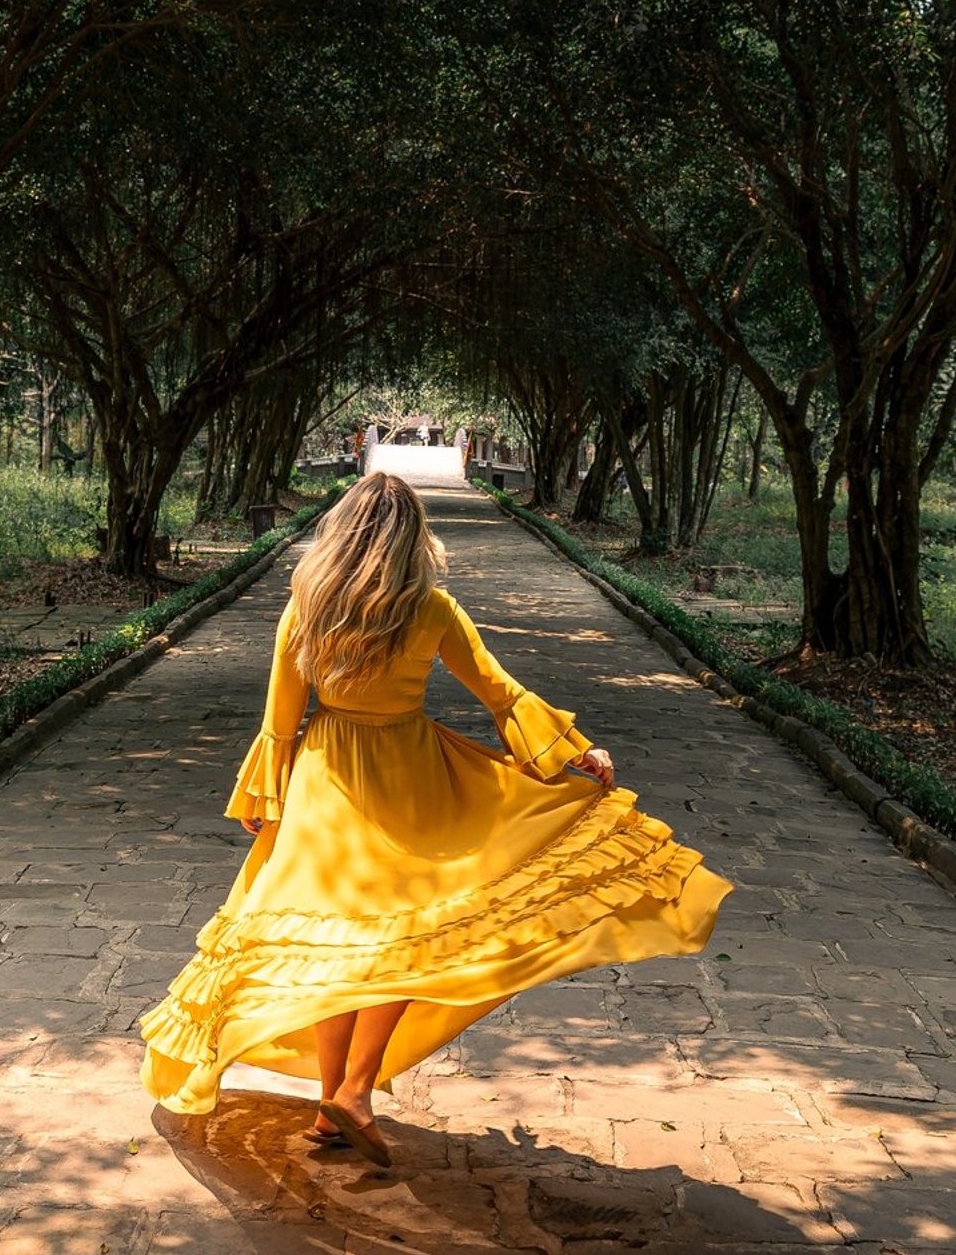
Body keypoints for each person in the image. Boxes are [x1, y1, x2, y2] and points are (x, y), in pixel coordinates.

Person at [141, 472, 730, 1161]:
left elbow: (281, 718)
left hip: (324, 781)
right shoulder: (431, 609)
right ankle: (351, 1091)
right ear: (410, 537)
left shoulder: (307, 606)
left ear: (341, 532)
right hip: (410, 775)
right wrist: (573, 751)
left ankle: (338, 1100)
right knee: (408, 941)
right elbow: (499, 693)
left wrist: (264, 795)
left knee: (336, 951)